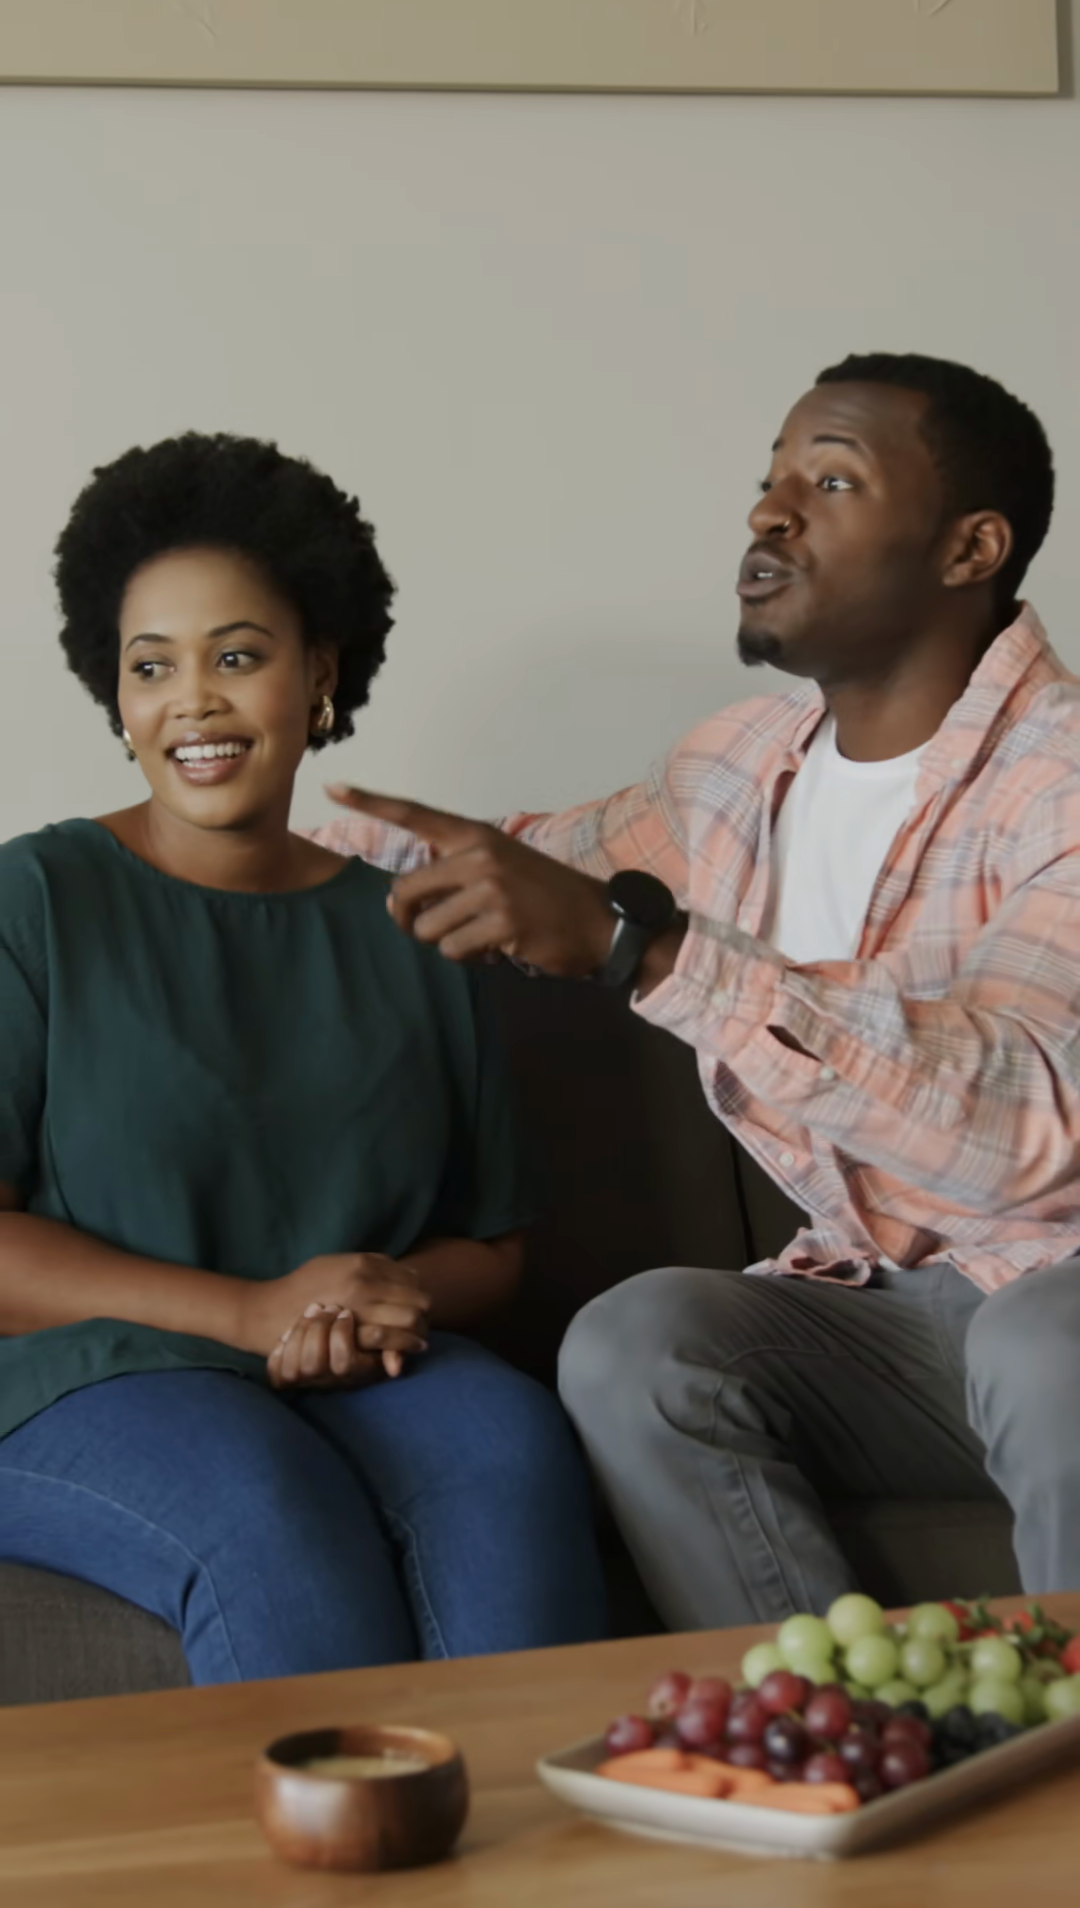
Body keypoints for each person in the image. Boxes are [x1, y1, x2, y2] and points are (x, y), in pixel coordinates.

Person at [316, 352, 1080, 1629]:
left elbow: (1024, 1131)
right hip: (897, 1322)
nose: (769, 513)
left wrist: (653, 953)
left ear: (971, 547)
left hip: (1061, 1301)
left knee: (1039, 1343)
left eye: (830, 481)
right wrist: (199, 845)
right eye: (771, 480)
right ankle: (821, 1728)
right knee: (639, 1341)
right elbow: (515, 861)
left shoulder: (1061, 776)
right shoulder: (735, 771)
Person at [0, 432, 607, 1683]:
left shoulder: (411, 927)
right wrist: (254, 1313)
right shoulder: (37, 898)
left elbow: (491, 1244)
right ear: (116, 695)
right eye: (151, 666)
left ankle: (533, 1820)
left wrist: (373, 1297)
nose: (193, 701)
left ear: (318, 672)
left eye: (237, 656)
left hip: (365, 1366)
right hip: (88, 1369)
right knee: (265, 1506)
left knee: (508, 1447)